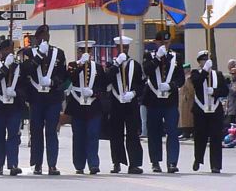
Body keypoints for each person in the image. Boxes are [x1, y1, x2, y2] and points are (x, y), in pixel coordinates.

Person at [20, 24, 68, 176]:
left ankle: (52, 164)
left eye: (47, 36)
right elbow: (25, 71)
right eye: (42, 36)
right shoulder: (28, 53)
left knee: (52, 132)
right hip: (36, 98)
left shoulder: (59, 53)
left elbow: (64, 75)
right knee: (36, 132)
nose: (44, 39)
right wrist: (39, 55)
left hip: (53, 98)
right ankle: (37, 164)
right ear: (37, 37)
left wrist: (53, 82)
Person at [142, 30, 185, 173]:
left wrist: (171, 85)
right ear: (156, 42)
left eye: (167, 43)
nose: (164, 45)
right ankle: (155, 162)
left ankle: (172, 162)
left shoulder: (176, 57)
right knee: (154, 132)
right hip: (153, 101)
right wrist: (157, 58)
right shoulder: (149, 56)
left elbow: (181, 79)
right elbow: (147, 71)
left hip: (170, 101)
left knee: (172, 132)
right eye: (161, 43)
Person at [66, 45, 107, 175]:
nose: (86, 53)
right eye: (82, 51)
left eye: (88, 51)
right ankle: (79, 164)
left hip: (93, 106)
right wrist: (81, 64)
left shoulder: (98, 67)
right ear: (78, 52)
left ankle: (93, 164)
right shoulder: (73, 65)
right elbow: (71, 78)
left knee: (93, 134)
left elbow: (103, 87)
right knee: (78, 136)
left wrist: (94, 93)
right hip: (77, 105)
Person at [107, 36, 144, 174]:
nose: (124, 50)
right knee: (116, 134)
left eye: (126, 48)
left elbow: (141, 85)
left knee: (132, 134)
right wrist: (117, 64)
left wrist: (134, 93)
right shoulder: (111, 65)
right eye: (121, 48)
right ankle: (117, 162)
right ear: (117, 49)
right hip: (116, 103)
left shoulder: (136, 65)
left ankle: (134, 164)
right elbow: (106, 79)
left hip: (131, 104)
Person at [0, 40, 24, 176]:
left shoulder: (18, 66)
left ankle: (13, 164)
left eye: (11, 49)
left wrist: (17, 93)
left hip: (14, 106)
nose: (10, 52)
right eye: (7, 50)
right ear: (1, 51)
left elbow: (24, 85)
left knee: (14, 135)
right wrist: (6, 67)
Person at [191, 51, 229, 173]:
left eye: (207, 60)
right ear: (199, 62)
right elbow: (196, 83)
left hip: (215, 110)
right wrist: (204, 70)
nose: (206, 62)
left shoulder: (217, 74)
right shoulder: (196, 73)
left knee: (216, 138)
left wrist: (215, 91)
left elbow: (225, 91)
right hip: (200, 110)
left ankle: (216, 165)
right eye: (203, 60)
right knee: (200, 137)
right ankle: (198, 159)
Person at [178, 63, 195, 140]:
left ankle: (187, 133)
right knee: (183, 118)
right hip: (182, 101)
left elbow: (191, 90)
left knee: (187, 118)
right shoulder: (184, 77)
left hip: (187, 101)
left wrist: (187, 97)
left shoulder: (188, 78)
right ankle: (184, 132)